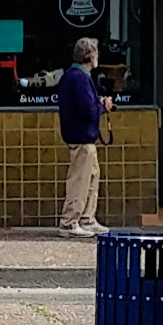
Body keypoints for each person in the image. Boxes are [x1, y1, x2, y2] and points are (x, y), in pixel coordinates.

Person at [55, 34, 108, 234]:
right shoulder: (79, 78)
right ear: (90, 56)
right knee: (80, 179)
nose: (98, 56)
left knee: (92, 177)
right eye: (96, 53)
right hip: (81, 137)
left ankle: (87, 217)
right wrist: (102, 106)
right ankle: (70, 221)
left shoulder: (74, 76)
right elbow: (88, 110)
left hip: (83, 137)